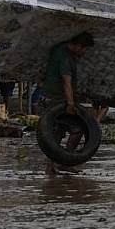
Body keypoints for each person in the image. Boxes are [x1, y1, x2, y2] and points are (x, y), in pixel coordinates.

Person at [41, 32, 95, 174]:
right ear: (78, 46)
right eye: (84, 49)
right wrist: (70, 103)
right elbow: (67, 82)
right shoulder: (66, 59)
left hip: (49, 96)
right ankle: (66, 161)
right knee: (77, 130)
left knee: (55, 133)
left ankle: (51, 166)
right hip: (59, 99)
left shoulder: (58, 49)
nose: (84, 52)